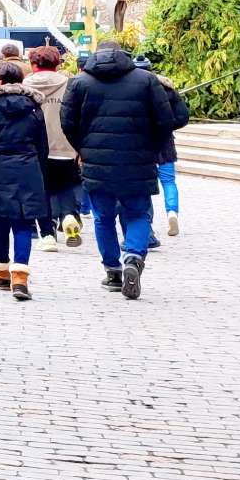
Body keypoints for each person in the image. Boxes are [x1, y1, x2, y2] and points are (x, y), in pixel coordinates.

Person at [62, 39, 178, 299]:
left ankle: (112, 271)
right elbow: (165, 120)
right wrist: (151, 148)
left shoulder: (79, 83)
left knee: (103, 218)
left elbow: (68, 123)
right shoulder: (146, 80)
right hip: (138, 160)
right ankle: (134, 256)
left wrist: (83, 148)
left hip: (96, 163)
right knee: (138, 214)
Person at [0, 61, 48, 301]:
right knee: (23, 223)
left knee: (0, 221)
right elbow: (43, 146)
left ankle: (2, 272)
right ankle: (20, 278)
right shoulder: (34, 107)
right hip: (28, 168)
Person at [22, 46, 83, 252]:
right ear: (57, 63)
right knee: (65, 184)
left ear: (33, 64)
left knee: (42, 190)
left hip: (34, 146)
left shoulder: (25, 85)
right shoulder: (69, 84)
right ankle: (68, 215)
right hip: (65, 144)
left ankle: (48, 235)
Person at [135, 56, 190, 246]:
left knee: (143, 185)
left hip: (143, 144)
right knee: (168, 181)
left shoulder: (134, 88)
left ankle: (147, 223)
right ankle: (172, 212)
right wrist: (168, 126)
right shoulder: (167, 88)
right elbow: (183, 116)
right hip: (165, 144)